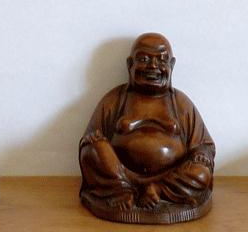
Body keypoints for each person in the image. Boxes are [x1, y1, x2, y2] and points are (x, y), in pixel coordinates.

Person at [79, 33, 214, 222]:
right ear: (129, 64)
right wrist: (93, 140)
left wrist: (202, 154)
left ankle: (155, 190)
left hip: (170, 179)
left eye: (161, 60)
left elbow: (204, 144)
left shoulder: (181, 103)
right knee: (92, 151)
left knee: (201, 172)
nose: (153, 66)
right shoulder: (115, 99)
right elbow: (91, 138)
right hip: (121, 175)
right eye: (143, 59)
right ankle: (123, 190)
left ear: (172, 65)